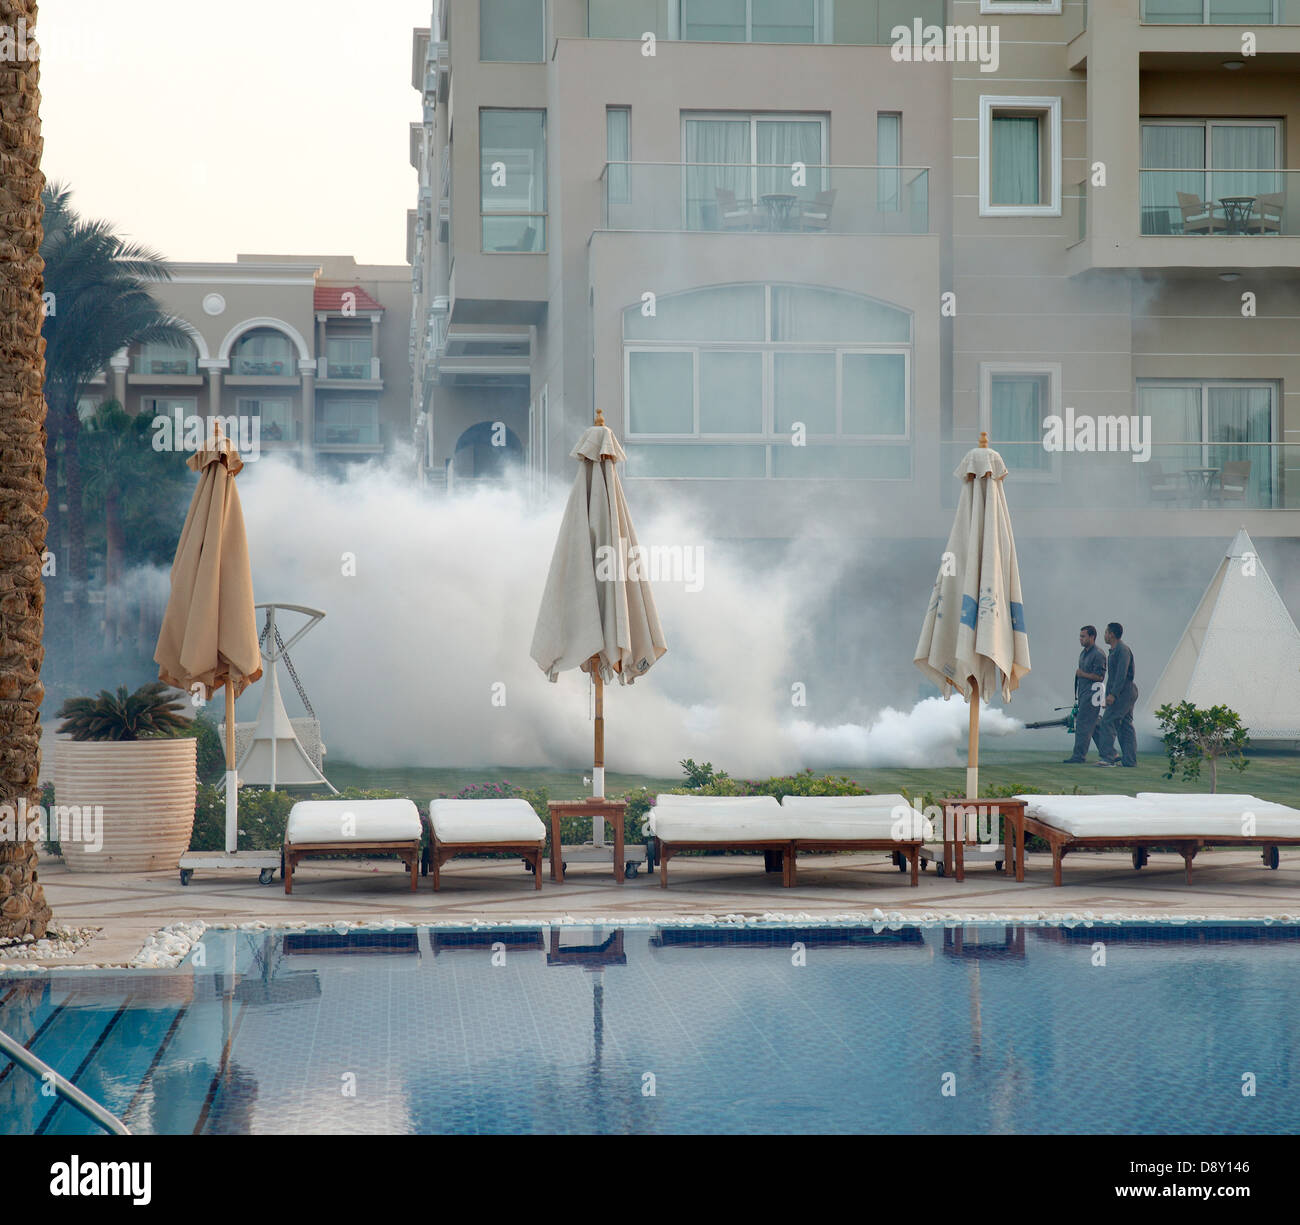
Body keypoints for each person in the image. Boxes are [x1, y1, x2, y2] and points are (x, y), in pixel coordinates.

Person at [1095, 622, 1138, 768]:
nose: (1105, 635)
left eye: (1106, 632)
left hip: (1124, 692)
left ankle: (1109, 756)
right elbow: (1112, 677)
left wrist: (1113, 694)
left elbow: (1121, 675)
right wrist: (1107, 694)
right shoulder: (1114, 651)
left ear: (1111, 634)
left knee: (1108, 721)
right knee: (1125, 726)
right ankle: (1129, 761)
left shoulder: (1122, 650)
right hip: (1123, 692)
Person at [1063, 625, 1107, 763]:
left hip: (1092, 695)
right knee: (1093, 726)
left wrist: (1082, 674)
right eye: (1080, 636)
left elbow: (1100, 677)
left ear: (1092, 637)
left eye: (1083, 636)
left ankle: (1079, 756)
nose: (1080, 639)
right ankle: (1109, 753)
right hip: (1083, 694)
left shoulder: (1098, 654)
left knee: (1083, 725)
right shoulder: (1083, 653)